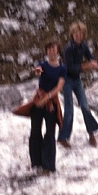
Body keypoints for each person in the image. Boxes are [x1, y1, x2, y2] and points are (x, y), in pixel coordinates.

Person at [57, 21, 98, 148]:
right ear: (72, 35)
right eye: (76, 33)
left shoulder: (84, 46)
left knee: (85, 106)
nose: (78, 36)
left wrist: (93, 62)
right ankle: (63, 137)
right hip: (66, 80)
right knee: (69, 110)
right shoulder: (68, 49)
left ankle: (91, 134)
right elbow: (71, 68)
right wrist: (87, 66)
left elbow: (90, 57)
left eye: (80, 34)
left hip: (77, 80)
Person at [29, 41, 66, 174]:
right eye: (49, 49)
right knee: (35, 131)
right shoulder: (42, 65)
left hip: (51, 102)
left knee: (50, 133)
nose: (51, 51)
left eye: (54, 49)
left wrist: (47, 97)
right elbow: (38, 71)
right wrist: (37, 71)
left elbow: (59, 87)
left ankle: (48, 166)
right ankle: (36, 163)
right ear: (46, 52)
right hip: (39, 100)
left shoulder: (62, 69)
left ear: (58, 51)